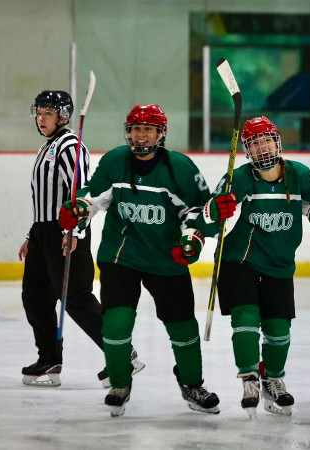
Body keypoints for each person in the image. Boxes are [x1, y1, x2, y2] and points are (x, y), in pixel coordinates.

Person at [60, 104, 231, 417]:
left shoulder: (180, 168)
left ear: (160, 133)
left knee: (182, 327)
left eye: (148, 129)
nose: (141, 135)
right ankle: (120, 384)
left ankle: (192, 384)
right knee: (116, 320)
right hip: (121, 254)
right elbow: (94, 196)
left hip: (167, 258)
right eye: (136, 128)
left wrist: (192, 238)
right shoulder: (115, 160)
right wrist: (80, 210)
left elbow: (198, 211)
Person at [191, 116, 310, 418]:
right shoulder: (239, 177)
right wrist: (207, 222)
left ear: (277, 142)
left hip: (279, 262)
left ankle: (273, 378)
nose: (262, 148)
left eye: (267, 140)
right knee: (246, 319)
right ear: (247, 149)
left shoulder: (299, 174)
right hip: (238, 261)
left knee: (279, 329)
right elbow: (210, 215)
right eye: (255, 143)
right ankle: (249, 379)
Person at [21, 91, 142, 387]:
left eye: (48, 113)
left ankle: (123, 354)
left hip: (67, 232)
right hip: (44, 233)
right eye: (39, 112)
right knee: (35, 298)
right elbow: (46, 198)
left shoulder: (70, 147)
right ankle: (49, 359)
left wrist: (73, 230)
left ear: (63, 116)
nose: (41, 118)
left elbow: (81, 192)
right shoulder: (48, 146)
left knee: (76, 299)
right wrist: (32, 234)